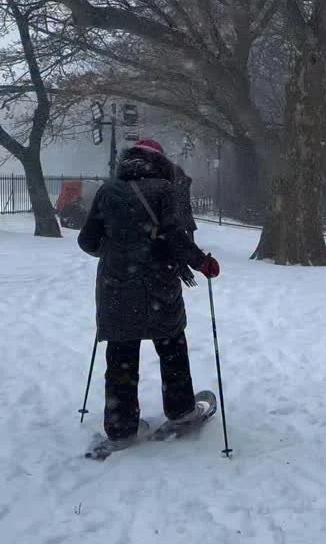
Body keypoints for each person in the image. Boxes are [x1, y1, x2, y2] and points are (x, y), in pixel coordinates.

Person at [78, 138, 220, 449]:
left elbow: (87, 241)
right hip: (158, 286)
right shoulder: (163, 190)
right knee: (171, 348)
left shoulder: (107, 190)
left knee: (121, 355)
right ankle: (181, 410)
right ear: (160, 163)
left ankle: (121, 427)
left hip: (116, 289)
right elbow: (175, 237)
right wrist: (201, 262)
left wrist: (117, 253)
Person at [173, 162, 197, 241]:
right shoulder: (186, 180)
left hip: (178, 208)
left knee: (180, 228)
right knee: (189, 228)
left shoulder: (175, 182)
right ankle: (191, 243)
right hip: (186, 207)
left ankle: (184, 243)